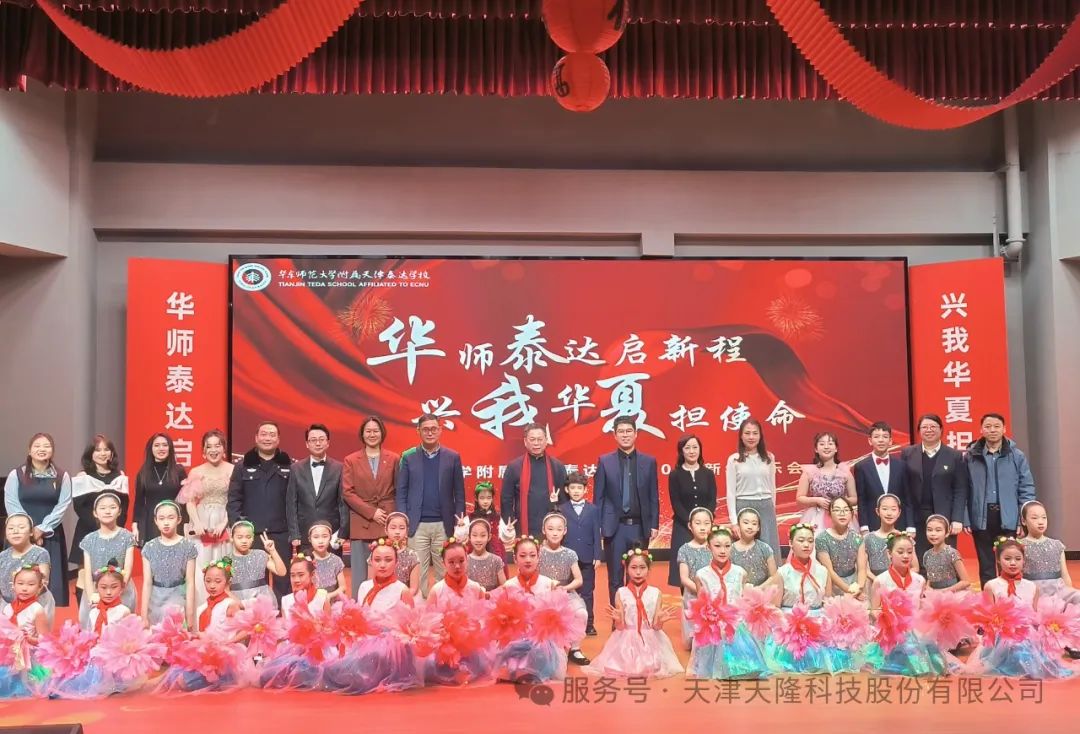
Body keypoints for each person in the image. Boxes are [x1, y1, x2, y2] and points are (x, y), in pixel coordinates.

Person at [970, 538, 1071, 679]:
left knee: (1034, 658)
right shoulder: (991, 585)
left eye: (1018, 559)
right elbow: (987, 617)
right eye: (1007, 559)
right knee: (1014, 651)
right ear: (998, 560)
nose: (1013, 563)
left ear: (1024, 560)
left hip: (1027, 635)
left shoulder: (1031, 586)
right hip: (1002, 636)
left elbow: (1035, 616)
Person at [583, 545, 682, 679]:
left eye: (642, 568)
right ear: (626, 568)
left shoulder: (655, 593)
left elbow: (656, 626)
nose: (638, 572)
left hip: (650, 639)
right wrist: (618, 619)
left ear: (648, 569)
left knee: (654, 666)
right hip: (626, 638)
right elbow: (620, 627)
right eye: (633, 568)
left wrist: (660, 621)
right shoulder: (621, 592)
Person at [395, 414, 465, 597]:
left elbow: (459, 492)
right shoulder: (408, 457)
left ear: (440, 430)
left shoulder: (452, 457)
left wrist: (460, 521)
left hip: (444, 524)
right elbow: (401, 491)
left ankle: (444, 607)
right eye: (425, 429)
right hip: (416, 525)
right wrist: (403, 521)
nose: (430, 433)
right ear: (418, 431)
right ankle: (422, 610)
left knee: (445, 570)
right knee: (418, 573)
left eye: (434, 429)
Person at [965, 413, 1036, 587]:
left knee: (1009, 562)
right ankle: (989, 600)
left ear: (1004, 429)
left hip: (1008, 516)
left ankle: (1010, 598)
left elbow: (1026, 488)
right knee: (986, 565)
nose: (992, 430)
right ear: (981, 430)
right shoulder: (970, 456)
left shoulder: (1016, 455)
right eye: (988, 426)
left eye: (996, 426)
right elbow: (963, 489)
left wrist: (1023, 519)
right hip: (981, 516)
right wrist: (966, 518)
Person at [688, 527, 769, 680]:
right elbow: (701, 602)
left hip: (736, 623)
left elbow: (742, 597)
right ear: (708, 547)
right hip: (714, 625)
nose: (722, 550)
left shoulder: (740, 572)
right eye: (717, 546)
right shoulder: (701, 574)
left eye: (727, 546)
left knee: (747, 663)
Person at [595, 416, 659, 607]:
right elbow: (598, 497)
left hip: (640, 527)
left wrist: (654, 524)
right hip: (615, 528)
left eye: (629, 431)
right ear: (615, 435)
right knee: (615, 577)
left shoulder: (649, 461)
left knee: (637, 575)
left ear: (636, 434)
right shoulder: (605, 461)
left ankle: (635, 616)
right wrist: (598, 526)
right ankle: (618, 618)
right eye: (621, 431)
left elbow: (653, 495)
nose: (625, 435)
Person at [4, 432, 72, 605]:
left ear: (52, 450)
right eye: (37, 446)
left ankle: (45, 619)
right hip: (20, 535)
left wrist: (42, 529)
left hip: (50, 534)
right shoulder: (16, 475)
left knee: (48, 586)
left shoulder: (62, 476)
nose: (42, 449)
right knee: (16, 584)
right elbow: (11, 502)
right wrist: (28, 530)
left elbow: (63, 505)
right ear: (29, 450)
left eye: (46, 446)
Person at [228, 421, 293, 599]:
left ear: (278, 439)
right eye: (263, 434)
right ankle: (253, 614)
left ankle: (281, 614)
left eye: (272, 434)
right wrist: (238, 528)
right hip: (252, 534)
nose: (267, 438)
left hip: (281, 532)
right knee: (253, 581)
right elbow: (234, 499)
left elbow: (294, 500)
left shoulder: (288, 465)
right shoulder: (242, 466)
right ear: (256, 438)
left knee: (283, 580)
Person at [870, 533, 950, 677]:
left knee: (938, 664)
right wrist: (888, 619)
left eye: (909, 552)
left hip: (916, 630)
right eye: (900, 552)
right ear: (889, 553)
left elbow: (922, 607)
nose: (906, 556)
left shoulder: (919, 580)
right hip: (892, 632)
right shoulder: (880, 580)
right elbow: (874, 610)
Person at [341, 416, 399, 598]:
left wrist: (393, 519)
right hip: (361, 520)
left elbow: (399, 490)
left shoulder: (394, 458)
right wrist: (371, 512)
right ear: (362, 434)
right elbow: (347, 492)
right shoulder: (351, 460)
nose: (372, 434)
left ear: (382, 433)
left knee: (386, 571)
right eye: (368, 431)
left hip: (386, 521)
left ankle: (387, 606)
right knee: (359, 576)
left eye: (376, 431)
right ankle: (358, 609)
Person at [900, 414, 968, 561]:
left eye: (933, 427)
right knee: (919, 560)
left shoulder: (954, 455)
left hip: (944, 518)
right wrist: (908, 521)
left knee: (945, 560)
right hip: (917, 517)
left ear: (941, 429)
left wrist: (957, 518)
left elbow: (960, 489)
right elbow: (904, 489)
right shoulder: (908, 453)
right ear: (919, 430)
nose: (929, 430)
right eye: (924, 427)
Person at [185, 429, 233, 606]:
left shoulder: (233, 470)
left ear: (224, 449)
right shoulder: (196, 472)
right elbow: (190, 502)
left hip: (224, 521)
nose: (214, 450)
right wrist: (197, 523)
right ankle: (201, 611)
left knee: (225, 565)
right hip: (202, 524)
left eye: (217, 445)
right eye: (209, 446)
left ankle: (224, 610)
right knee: (200, 567)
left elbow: (235, 501)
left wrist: (224, 523)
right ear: (204, 451)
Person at [70, 434, 129, 573]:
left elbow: (124, 507)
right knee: (85, 577)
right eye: (98, 450)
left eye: (106, 449)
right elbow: (79, 508)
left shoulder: (120, 476)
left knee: (112, 576)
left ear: (112, 453)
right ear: (90, 454)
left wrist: (113, 529)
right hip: (87, 531)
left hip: (113, 533)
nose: (103, 453)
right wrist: (100, 528)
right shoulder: (83, 477)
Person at [78, 492, 136, 627]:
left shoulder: (127, 537)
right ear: (95, 513)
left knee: (121, 628)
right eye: (103, 508)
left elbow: (127, 569)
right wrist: (92, 595)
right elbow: (87, 573)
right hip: (97, 590)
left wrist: (118, 591)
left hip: (121, 589)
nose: (107, 511)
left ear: (119, 511)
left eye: (112, 507)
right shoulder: (89, 540)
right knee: (92, 627)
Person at [725, 419, 780, 562]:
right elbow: (730, 492)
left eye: (755, 433)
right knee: (745, 551)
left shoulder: (769, 458)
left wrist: (772, 508)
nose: (751, 437)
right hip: (744, 506)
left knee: (768, 549)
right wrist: (734, 521)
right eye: (747, 433)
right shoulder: (734, 459)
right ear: (741, 436)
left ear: (760, 436)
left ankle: (771, 576)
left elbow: (772, 487)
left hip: (766, 507)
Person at [500, 423, 567, 540]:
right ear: (525, 441)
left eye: (540, 439)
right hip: (523, 527)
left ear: (546, 441)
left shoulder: (557, 466)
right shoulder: (514, 467)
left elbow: (564, 500)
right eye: (532, 439)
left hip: (552, 527)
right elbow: (506, 499)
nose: (536, 443)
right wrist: (510, 524)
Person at [287, 424, 346, 555]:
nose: (318, 443)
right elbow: (291, 504)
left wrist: (343, 533)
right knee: (306, 567)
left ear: (328, 442)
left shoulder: (339, 468)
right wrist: (294, 533)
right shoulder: (296, 468)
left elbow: (343, 504)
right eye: (313, 440)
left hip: (332, 536)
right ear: (307, 444)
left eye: (321, 439)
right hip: (304, 535)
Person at [538, 512, 589, 665]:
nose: (555, 533)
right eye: (550, 529)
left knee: (581, 613)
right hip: (542, 594)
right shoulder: (538, 552)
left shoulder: (570, 554)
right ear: (543, 530)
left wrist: (565, 588)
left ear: (565, 531)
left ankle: (575, 648)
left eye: (559, 529)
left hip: (565, 593)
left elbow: (579, 579)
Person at [669, 433, 718, 587]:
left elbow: (712, 499)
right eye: (687, 448)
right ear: (681, 451)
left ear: (700, 450)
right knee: (685, 569)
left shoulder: (708, 474)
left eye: (695, 447)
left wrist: (705, 522)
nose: (691, 451)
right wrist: (691, 523)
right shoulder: (675, 475)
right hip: (683, 526)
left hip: (706, 527)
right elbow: (676, 503)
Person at [556, 472, 601, 636]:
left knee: (588, 591)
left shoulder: (593, 509)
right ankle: (568, 623)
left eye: (579, 488)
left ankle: (589, 624)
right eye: (573, 488)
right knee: (568, 591)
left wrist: (597, 555)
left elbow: (596, 532)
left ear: (585, 490)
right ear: (567, 490)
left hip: (587, 556)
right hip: (568, 557)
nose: (576, 491)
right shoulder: (561, 509)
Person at [139, 500, 197, 626]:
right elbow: (147, 583)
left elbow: (190, 582)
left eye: (171, 518)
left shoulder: (188, 546)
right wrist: (143, 616)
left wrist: (190, 614)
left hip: (178, 598)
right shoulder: (149, 547)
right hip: (155, 600)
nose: (166, 522)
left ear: (179, 519)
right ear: (156, 521)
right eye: (161, 518)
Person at [854, 422, 914, 535]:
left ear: (890, 441)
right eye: (876, 437)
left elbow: (908, 498)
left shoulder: (902, 465)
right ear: (870, 441)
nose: (881, 440)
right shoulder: (861, 467)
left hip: (899, 524)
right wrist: (864, 527)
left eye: (885, 437)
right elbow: (862, 500)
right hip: (873, 524)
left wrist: (910, 526)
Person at [1019, 501, 1080, 605]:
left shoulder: (1057, 545)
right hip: (1032, 592)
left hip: (1057, 591)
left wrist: (1069, 596)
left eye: (1044, 517)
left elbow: (1065, 575)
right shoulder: (1019, 546)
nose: (1040, 522)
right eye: (1034, 518)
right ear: (1024, 521)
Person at [132, 432, 187, 545]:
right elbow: (139, 503)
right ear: (151, 449)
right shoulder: (143, 473)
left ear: (170, 448)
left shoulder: (179, 471)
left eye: (165, 445)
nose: (161, 448)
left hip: (174, 522)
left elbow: (185, 502)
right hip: (151, 523)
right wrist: (135, 525)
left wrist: (186, 523)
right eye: (157, 445)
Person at [795, 432, 856, 531]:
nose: (826, 447)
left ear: (836, 448)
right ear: (816, 449)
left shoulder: (845, 471)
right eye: (822, 444)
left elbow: (854, 498)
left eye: (830, 444)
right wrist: (816, 500)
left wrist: (838, 503)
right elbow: (800, 498)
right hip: (816, 515)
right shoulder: (809, 472)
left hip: (841, 515)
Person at [0, 514, 54, 625]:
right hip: (7, 605)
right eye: (11, 528)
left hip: (36, 604)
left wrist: (23, 607)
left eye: (21, 527)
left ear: (31, 532)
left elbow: (43, 582)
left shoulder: (40, 553)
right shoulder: (2, 556)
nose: (15, 531)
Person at [676, 507, 714, 649]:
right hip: (693, 595)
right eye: (698, 523)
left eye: (706, 523)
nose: (702, 528)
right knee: (694, 640)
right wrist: (702, 592)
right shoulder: (684, 549)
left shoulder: (715, 546)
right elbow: (684, 578)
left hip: (714, 594)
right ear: (690, 526)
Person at [815, 497, 865, 599]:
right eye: (837, 510)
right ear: (829, 514)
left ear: (851, 514)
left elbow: (862, 569)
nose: (842, 513)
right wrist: (849, 590)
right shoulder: (822, 539)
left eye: (846, 510)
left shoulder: (857, 538)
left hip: (854, 583)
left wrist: (859, 588)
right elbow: (829, 571)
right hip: (831, 585)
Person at [228, 522, 285, 609]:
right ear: (232, 538)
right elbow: (225, 589)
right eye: (240, 537)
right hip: (237, 601)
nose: (244, 541)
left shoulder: (260, 554)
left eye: (248, 537)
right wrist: (239, 603)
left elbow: (281, 572)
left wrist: (273, 551)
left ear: (253, 538)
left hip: (261, 600)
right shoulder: (227, 560)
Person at [730, 508, 779, 593]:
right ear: (738, 525)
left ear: (758, 527)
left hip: (763, 593)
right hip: (738, 593)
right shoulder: (730, 550)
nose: (750, 527)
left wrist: (758, 589)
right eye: (746, 523)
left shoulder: (765, 548)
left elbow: (774, 576)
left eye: (754, 524)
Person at [356, 538, 413, 609]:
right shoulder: (364, 587)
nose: (382, 565)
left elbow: (411, 615)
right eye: (377, 560)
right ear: (371, 562)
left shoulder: (402, 590)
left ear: (396, 562)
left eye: (388, 560)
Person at [427, 538, 485, 606]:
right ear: (444, 564)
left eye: (461, 561)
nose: (457, 566)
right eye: (451, 562)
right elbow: (429, 612)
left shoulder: (476, 588)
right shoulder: (436, 591)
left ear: (467, 560)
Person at [922, 514, 971, 593]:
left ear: (947, 533)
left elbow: (966, 581)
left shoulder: (952, 553)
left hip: (951, 594)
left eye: (938, 530)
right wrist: (928, 587)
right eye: (929, 530)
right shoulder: (927, 555)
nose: (933, 534)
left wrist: (942, 591)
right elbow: (930, 576)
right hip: (933, 594)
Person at [196, 558, 242, 634]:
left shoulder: (230, 604)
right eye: (208, 581)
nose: (212, 586)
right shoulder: (201, 608)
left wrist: (230, 640)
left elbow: (243, 630)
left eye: (218, 581)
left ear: (227, 583)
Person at [3, 566, 49, 641]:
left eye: (31, 584)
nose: (24, 588)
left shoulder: (37, 610)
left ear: (39, 587)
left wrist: (31, 640)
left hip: (28, 647)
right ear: (13, 585)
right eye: (20, 583)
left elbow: (45, 639)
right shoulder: (7, 608)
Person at [84, 561, 131, 633]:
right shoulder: (93, 612)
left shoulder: (124, 611)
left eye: (114, 587)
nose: (108, 592)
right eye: (103, 587)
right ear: (96, 588)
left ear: (122, 588)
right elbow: (89, 634)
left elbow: (129, 635)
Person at [281, 555, 330, 620]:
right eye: (293, 575)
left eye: (301, 575)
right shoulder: (286, 601)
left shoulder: (322, 597)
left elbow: (328, 625)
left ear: (312, 574)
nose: (296, 580)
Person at [464, 519, 506, 592]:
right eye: (474, 535)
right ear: (469, 537)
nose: (478, 539)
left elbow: (504, 587)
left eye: (483, 535)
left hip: (492, 598)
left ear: (489, 537)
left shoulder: (496, 560)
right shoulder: (465, 561)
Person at [308, 520, 346, 602]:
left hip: (332, 601)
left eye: (324, 536)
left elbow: (343, 587)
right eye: (316, 537)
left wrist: (329, 596)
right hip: (312, 601)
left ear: (330, 538)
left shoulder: (336, 560)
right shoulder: (307, 560)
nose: (320, 541)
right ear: (310, 539)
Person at [385, 511, 421, 596]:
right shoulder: (378, 553)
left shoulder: (412, 556)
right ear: (386, 530)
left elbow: (413, 588)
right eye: (393, 528)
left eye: (401, 528)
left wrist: (399, 599)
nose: (397, 532)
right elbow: (371, 583)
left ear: (407, 531)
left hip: (405, 597)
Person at [468, 482, 506, 560]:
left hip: (495, 550)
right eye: (482, 498)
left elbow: (504, 536)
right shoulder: (471, 517)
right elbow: (462, 537)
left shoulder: (497, 517)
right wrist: (461, 527)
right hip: (476, 548)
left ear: (492, 498)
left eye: (489, 498)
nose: (485, 501)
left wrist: (509, 530)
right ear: (476, 499)